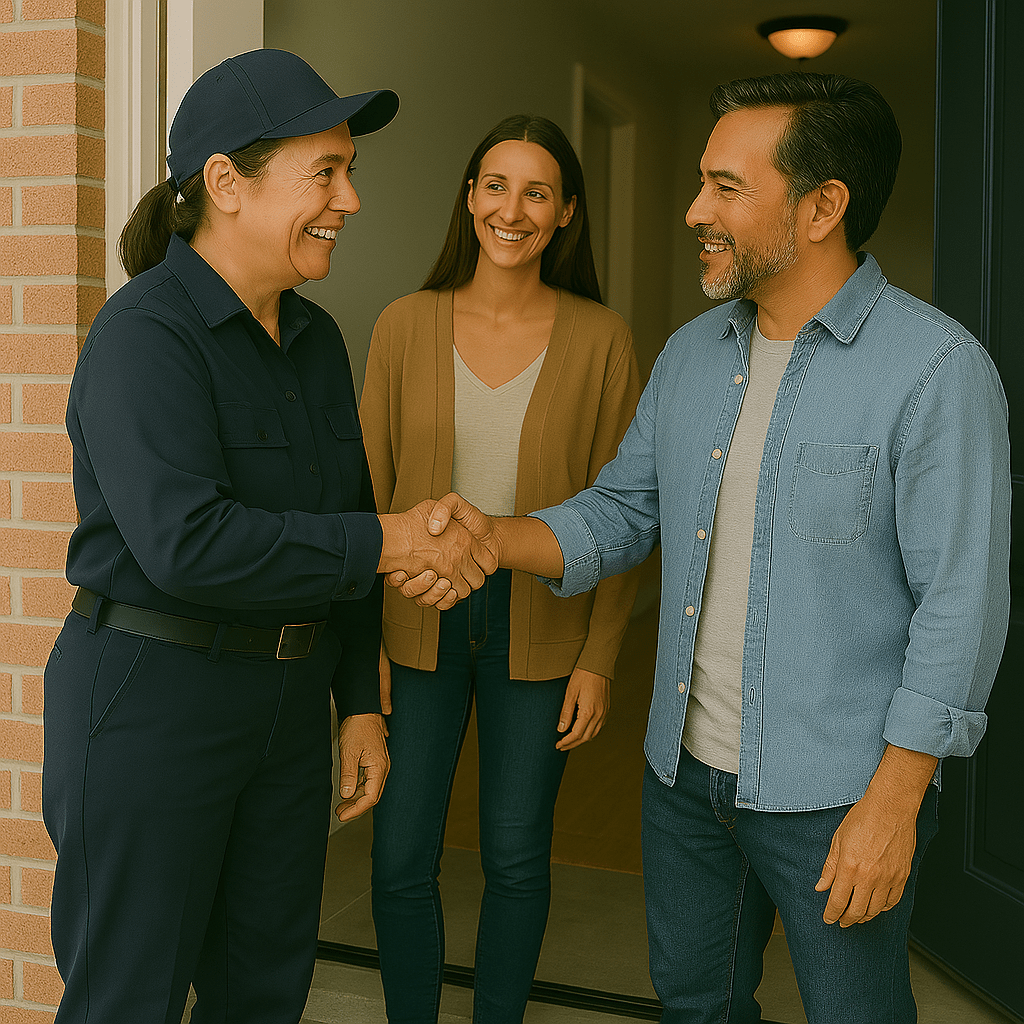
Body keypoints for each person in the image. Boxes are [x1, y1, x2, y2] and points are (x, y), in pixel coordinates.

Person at [400, 73, 1012, 1023]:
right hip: (683, 781)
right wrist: (498, 535)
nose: (695, 211)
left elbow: (962, 608)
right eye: (702, 183)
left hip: (836, 795)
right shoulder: (692, 354)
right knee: (695, 1007)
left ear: (822, 207)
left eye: (726, 188)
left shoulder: (936, 371)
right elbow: (618, 513)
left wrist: (895, 804)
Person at [42, 48, 494, 1024]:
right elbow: (187, 542)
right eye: (324, 173)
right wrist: (394, 541)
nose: (349, 200)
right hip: (150, 703)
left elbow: (344, 512)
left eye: (350, 173)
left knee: (263, 992)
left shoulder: (318, 338)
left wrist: (355, 700)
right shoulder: (142, 337)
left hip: (287, 711)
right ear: (225, 184)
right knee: (131, 997)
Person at [360, 114, 641, 1023]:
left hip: (544, 632)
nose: (509, 209)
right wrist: (359, 647)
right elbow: (360, 501)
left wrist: (600, 656)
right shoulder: (405, 324)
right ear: (469, 198)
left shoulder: (603, 340)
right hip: (413, 627)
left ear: (566, 214)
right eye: (493, 185)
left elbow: (626, 513)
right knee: (402, 856)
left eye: (535, 191)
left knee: (517, 859)